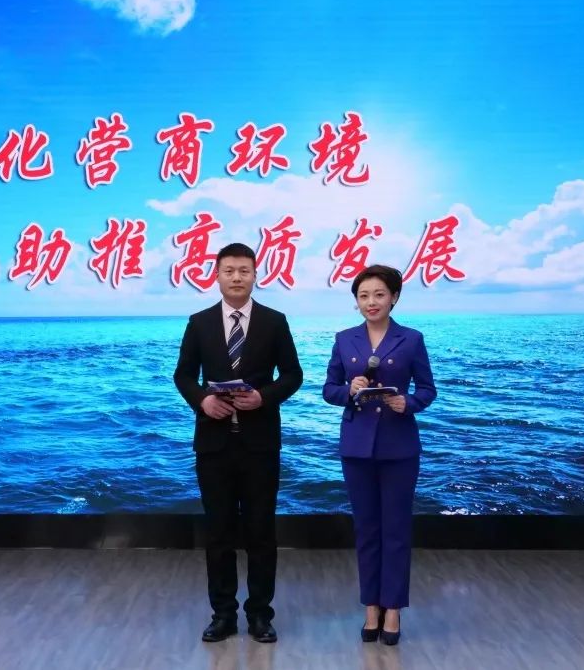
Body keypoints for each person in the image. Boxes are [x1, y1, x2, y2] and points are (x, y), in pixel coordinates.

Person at [173, 242, 303, 644]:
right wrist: (202, 400)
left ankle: (260, 615)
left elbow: (293, 375)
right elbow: (183, 375)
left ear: (255, 275)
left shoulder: (274, 321)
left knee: (261, 533)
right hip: (213, 446)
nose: (236, 277)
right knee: (218, 534)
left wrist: (264, 397)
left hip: (260, 445)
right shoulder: (199, 322)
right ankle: (223, 615)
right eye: (228, 270)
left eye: (244, 271)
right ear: (216, 275)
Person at [322, 264, 436, 646]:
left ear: (394, 297)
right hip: (356, 446)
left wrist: (409, 403)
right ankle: (371, 606)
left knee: (396, 531)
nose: (371, 302)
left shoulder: (412, 339)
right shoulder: (344, 339)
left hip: (399, 445)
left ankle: (393, 609)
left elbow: (428, 389)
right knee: (366, 529)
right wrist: (349, 390)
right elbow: (329, 389)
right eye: (363, 296)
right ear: (356, 301)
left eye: (379, 294)